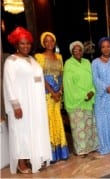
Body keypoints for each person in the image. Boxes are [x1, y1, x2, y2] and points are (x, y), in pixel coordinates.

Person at [3, 27, 52, 174]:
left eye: (28, 43)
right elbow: (8, 85)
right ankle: (21, 162)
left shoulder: (32, 59)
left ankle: (35, 159)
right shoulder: (11, 61)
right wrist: (15, 106)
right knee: (21, 132)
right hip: (22, 104)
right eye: (22, 44)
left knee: (34, 131)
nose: (26, 46)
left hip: (36, 104)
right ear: (16, 45)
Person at [35, 32, 69, 162]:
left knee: (58, 119)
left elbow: (61, 75)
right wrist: (52, 92)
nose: (49, 43)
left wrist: (60, 90)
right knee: (49, 120)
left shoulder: (59, 57)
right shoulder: (39, 57)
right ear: (43, 43)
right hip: (47, 94)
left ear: (54, 42)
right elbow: (40, 77)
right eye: (46, 41)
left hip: (58, 93)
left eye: (51, 41)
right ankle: (51, 154)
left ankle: (62, 153)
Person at [63, 41, 99, 157]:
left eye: (79, 50)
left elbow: (93, 79)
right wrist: (84, 96)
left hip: (89, 98)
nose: (78, 52)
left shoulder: (87, 62)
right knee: (79, 127)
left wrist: (92, 91)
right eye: (75, 50)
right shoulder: (68, 64)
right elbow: (69, 85)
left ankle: (91, 147)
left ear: (82, 51)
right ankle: (81, 149)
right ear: (71, 52)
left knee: (89, 125)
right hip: (76, 100)